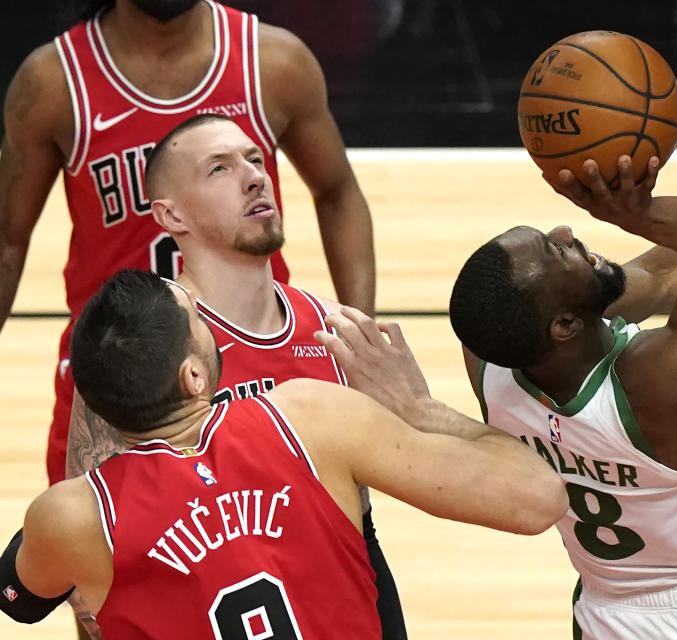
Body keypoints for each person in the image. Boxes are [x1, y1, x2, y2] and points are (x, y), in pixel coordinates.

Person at [312, 75, 677, 639]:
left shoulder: (492, 364)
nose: (569, 233)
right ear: (569, 323)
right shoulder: (654, 383)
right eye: (557, 253)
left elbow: (664, 271)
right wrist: (641, 213)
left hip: (611, 612)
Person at [0, 269, 567, 638]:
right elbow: (538, 500)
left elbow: (17, 599)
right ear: (194, 375)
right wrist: (420, 409)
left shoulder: (73, 517)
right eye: (199, 322)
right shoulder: (311, 417)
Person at [0, 0, 375, 492]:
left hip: (257, 356)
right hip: (116, 368)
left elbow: (337, 193)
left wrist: (359, 335)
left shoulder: (273, 61)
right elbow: (8, 238)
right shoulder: (53, 81)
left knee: (292, 544)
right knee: (93, 553)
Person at [64, 113, 406, 636]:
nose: (254, 176)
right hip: (200, 600)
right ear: (169, 214)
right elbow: (87, 546)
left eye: (253, 158)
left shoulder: (334, 329)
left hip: (343, 588)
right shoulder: (145, 342)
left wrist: (412, 411)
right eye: (219, 169)